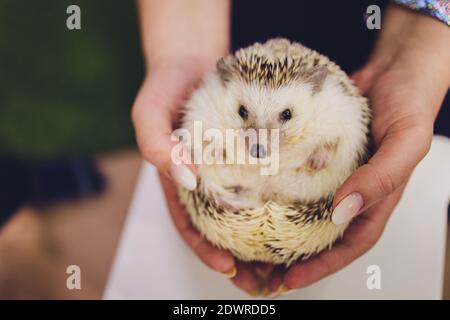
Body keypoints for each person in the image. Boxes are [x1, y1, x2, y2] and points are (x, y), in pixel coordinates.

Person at [131, 0, 450, 296]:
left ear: (313, 94)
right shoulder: (220, 84)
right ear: (228, 86)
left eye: (284, 116)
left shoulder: (332, 105)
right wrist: (182, 48)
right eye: (244, 114)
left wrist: (416, 45)